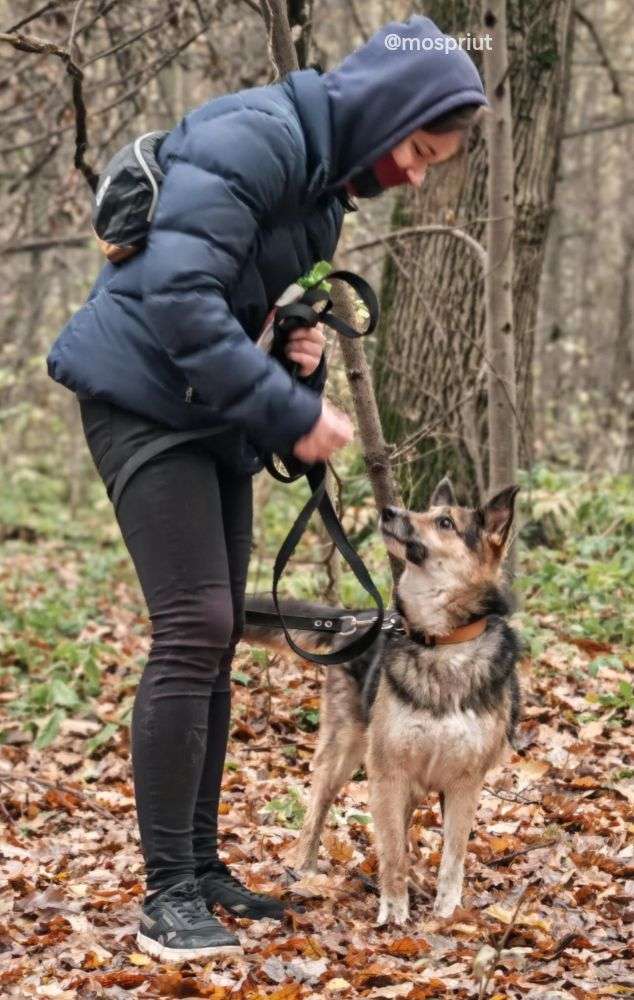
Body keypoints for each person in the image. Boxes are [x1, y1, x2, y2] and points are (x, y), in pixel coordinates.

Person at [47, 14, 488, 962]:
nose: (416, 172)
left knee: (214, 641)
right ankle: (166, 894)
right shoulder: (253, 137)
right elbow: (176, 299)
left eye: (433, 160)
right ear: (386, 109)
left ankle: (200, 869)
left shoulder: (322, 194)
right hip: (137, 399)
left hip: (208, 413)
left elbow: (242, 309)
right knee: (196, 625)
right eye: (419, 147)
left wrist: (298, 355)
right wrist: (289, 412)